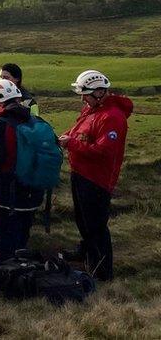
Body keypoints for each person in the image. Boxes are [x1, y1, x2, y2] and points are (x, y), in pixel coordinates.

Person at [59, 70, 132, 281]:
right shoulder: (93, 109)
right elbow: (78, 132)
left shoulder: (112, 118)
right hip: (81, 174)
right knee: (84, 221)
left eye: (86, 94)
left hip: (96, 180)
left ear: (100, 92)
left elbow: (103, 152)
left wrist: (71, 144)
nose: (83, 98)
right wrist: (67, 138)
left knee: (96, 226)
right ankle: (88, 254)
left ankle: (102, 272)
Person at [0, 79, 44, 261]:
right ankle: (22, 258)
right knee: (23, 227)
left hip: (6, 188)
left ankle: (6, 264)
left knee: (5, 228)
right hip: (32, 187)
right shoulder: (35, 120)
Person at [0, 64, 39, 149]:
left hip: (12, 146)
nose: (1, 80)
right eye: (0, 77)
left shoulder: (28, 101)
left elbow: (33, 126)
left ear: (17, 79)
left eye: (6, 77)